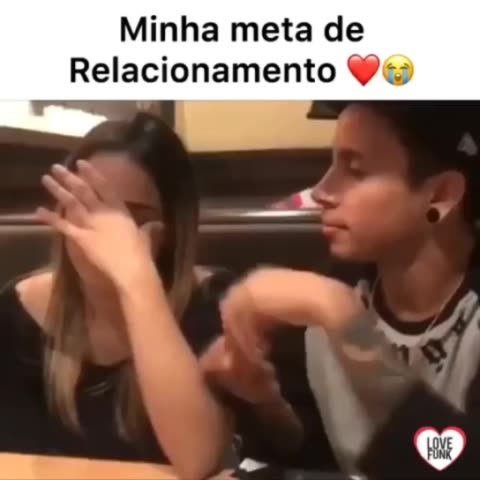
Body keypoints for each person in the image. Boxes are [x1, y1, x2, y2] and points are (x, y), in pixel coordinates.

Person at [203, 101, 480, 478]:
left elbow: (457, 467)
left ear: (440, 195)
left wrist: (343, 318)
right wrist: (269, 405)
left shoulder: (330, 301)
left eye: (356, 170)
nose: (320, 191)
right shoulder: (343, 282)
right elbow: (325, 455)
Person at [0, 112, 233, 479]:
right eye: (86, 208)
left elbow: (199, 459)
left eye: (132, 219)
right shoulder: (18, 310)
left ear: (173, 227)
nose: (105, 235)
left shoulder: (214, 303)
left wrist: (135, 279)